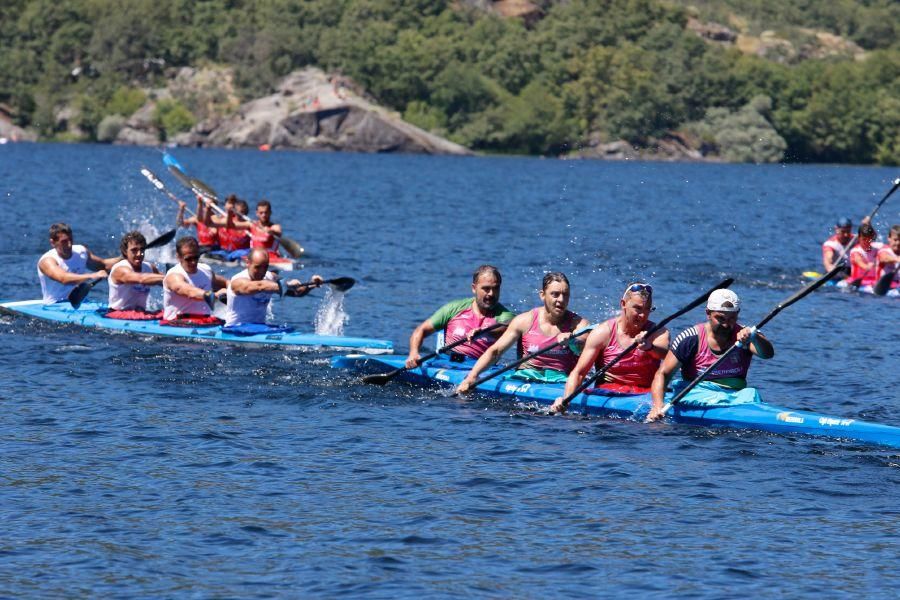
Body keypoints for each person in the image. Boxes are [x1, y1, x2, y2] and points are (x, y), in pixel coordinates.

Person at [647, 289, 774, 421]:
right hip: (696, 395)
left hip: (735, 396)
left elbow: (767, 354)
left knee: (751, 393)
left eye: (732, 318)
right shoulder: (690, 338)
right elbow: (663, 374)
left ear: (738, 314)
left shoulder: (746, 335)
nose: (726, 324)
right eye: (720, 318)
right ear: (708, 313)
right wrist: (657, 406)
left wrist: (755, 337)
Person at [456, 272, 590, 393]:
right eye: (555, 294)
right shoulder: (524, 321)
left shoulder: (578, 324)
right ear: (542, 295)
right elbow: (496, 351)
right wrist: (472, 377)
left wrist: (573, 340)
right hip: (525, 377)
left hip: (562, 381)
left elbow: (583, 347)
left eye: (565, 295)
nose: (561, 299)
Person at [549, 282, 669, 414]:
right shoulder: (603, 332)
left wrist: (649, 347)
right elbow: (579, 373)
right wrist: (566, 400)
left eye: (647, 309)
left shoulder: (658, 332)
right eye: (638, 309)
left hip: (645, 394)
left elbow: (666, 354)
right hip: (608, 393)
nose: (643, 315)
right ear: (623, 304)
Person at [405, 265, 515, 369]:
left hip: (481, 368)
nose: (491, 293)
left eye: (495, 288)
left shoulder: (505, 316)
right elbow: (421, 330)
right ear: (474, 288)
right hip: (445, 362)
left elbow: (509, 327)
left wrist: (485, 331)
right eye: (486, 288)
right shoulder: (454, 308)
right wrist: (413, 353)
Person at [224, 248, 323, 331]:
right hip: (235, 329)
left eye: (265, 267)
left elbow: (297, 292)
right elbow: (260, 286)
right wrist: (286, 284)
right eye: (258, 267)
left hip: (259, 328)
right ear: (248, 263)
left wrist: (311, 284)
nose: (262, 271)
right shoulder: (237, 281)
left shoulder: (270, 277)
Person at [37, 222, 116, 304]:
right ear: (53, 243)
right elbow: (63, 278)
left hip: (81, 303)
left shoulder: (81, 252)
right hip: (54, 304)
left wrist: (124, 257)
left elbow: (104, 265)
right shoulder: (47, 261)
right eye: (64, 241)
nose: (69, 244)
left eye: (71, 239)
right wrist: (92, 275)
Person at [162, 236, 228, 326]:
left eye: (196, 257)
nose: (193, 262)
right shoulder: (174, 276)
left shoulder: (206, 271)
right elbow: (190, 292)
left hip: (205, 322)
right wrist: (215, 295)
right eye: (188, 259)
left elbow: (228, 283)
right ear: (178, 257)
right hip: (177, 323)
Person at [106, 231, 165, 318]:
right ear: (125, 252)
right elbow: (141, 278)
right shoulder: (121, 269)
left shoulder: (149, 268)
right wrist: (169, 278)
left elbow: (167, 283)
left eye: (142, 250)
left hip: (140, 313)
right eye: (134, 250)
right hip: (117, 314)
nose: (139, 254)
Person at [840, 222, 881, 290]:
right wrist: (868, 266)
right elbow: (861, 263)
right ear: (859, 238)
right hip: (858, 282)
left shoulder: (876, 249)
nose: (866, 242)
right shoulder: (855, 251)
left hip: (873, 281)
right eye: (864, 239)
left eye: (869, 239)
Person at [875, 224, 900, 295]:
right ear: (889, 238)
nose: (898, 243)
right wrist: (897, 259)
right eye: (895, 240)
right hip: (882, 288)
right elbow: (884, 258)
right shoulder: (883, 251)